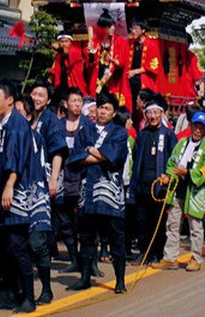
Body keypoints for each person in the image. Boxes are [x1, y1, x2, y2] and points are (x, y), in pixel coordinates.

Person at [0, 79, 47, 313]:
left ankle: (28, 297)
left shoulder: (17, 124)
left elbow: (16, 158)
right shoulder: (6, 124)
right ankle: (14, 293)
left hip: (16, 196)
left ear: (10, 100)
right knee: (7, 247)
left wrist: (9, 184)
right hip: (4, 192)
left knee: (17, 246)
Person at [68, 92, 129, 293]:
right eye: (100, 107)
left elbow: (113, 156)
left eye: (107, 108)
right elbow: (76, 158)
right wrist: (99, 154)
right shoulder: (86, 130)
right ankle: (85, 277)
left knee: (116, 237)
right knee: (85, 236)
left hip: (110, 191)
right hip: (88, 191)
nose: (102, 112)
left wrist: (93, 151)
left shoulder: (119, 132)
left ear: (113, 112)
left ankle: (120, 280)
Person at [153, 111, 205, 272]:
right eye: (195, 126)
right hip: (177, 190)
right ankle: (170, 257)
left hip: (195, 191)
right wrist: (168, 176)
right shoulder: (181, 142)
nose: (197, 130)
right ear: (190, 126)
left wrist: (188, 174)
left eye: (202, 128)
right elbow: (172, 162)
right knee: (173, 224)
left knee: (195, 226)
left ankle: (196, 257)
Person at [28, 81, 66, 304]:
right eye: (34, 93)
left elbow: (58, 151)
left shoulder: (51, 120)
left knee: (40, 236)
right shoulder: (29, 118)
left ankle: (46, 288)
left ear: (49, 100)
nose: (36, 98)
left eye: (41, 95)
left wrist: (53, 180)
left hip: (43, 180)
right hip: (27, 182)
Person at [127, 96, 176, 264]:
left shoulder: (168, 135)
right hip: (143, 184)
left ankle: (156, 253)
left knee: (158, 221)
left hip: (159, 186)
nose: (153, 116)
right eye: (149, 113)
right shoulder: (142, 134)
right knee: (141, 220)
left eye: (156, 112)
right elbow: (135, 157)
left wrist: (169, 178)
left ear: (162, 114)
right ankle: (144, 252)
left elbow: (174, 159)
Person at [53, 88, 89, 268]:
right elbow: (55, 153)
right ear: (66, 104)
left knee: (85, 221)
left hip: (83, 176)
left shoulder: (88, 124)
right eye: (73, 101)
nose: (77, 104)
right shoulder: (58, 125)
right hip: (63, 177)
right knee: (65, 221)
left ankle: (90, 261)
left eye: (79, 101)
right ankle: (74, 259)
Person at [50, 33, 86, 100]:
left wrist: (51, 45)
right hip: (61, 87)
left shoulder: (75, 50)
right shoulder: (58, 56)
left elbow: (65, 51)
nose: (64, 44)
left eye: (66, 41)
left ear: (71, 42)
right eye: (61, 41)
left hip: (75, 85)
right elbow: (53, 71)